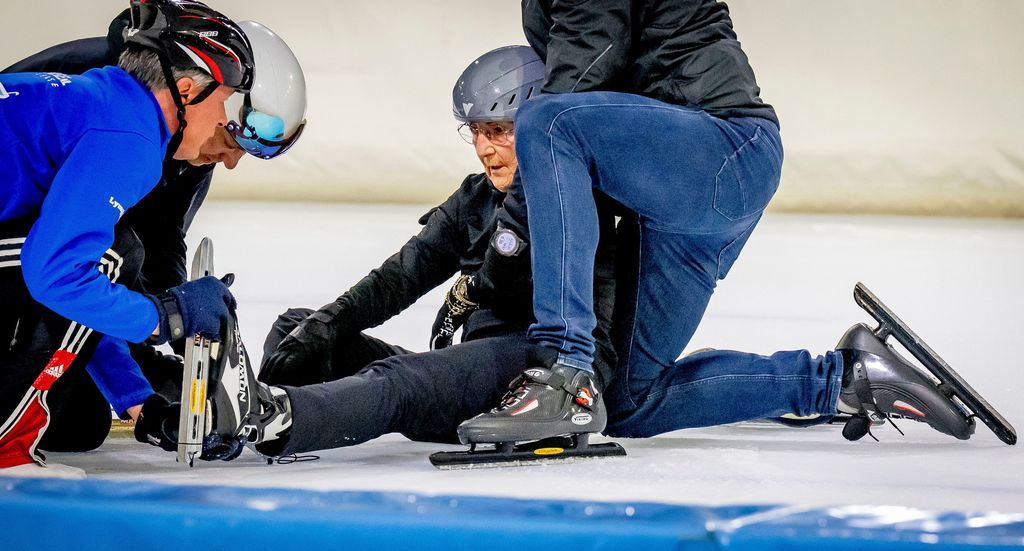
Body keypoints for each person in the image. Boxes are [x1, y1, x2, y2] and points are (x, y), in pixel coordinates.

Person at [458, 0, 978, 447]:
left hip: (722, 154)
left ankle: (567, 373)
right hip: (676, 192)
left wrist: (505, 243)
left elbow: (585, 69)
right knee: (625, 399)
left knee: (546, 123)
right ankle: (845, 380)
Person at [200, 46, 619, 459]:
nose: (483, 149)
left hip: (540, 376)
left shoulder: (574, 200)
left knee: (397, 380)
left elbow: (510, 282)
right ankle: (250, 401)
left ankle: (277, 417)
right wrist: (322, 328)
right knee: (298, 329)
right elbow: (398, 279)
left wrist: (472, 288)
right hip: (473, 369)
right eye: (475, 131)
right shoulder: (474, 197)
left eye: (498, 131)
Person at [0, 0, 257, 477]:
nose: (229, 125)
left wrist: (141, 407)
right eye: (226, 104)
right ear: (186, 90)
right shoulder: (131, 137)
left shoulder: (101, 101)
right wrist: (164, 318)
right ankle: (6, 450)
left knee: (78, 424)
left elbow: (73, 293)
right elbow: (60, 276)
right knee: (114, 255)